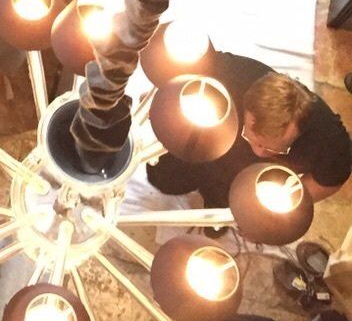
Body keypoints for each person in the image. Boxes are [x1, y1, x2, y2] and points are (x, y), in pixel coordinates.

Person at [147, 51, 352, 208]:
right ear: (247, 106)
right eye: (254, 139)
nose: (260, 151)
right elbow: (176, 76)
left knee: (228, 202)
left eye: (273, 148)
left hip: (257, 174)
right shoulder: (232, 74)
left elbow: (330, 181)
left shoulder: (330, 141)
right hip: (213, 134)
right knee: (164, 179)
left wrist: (278, 207)